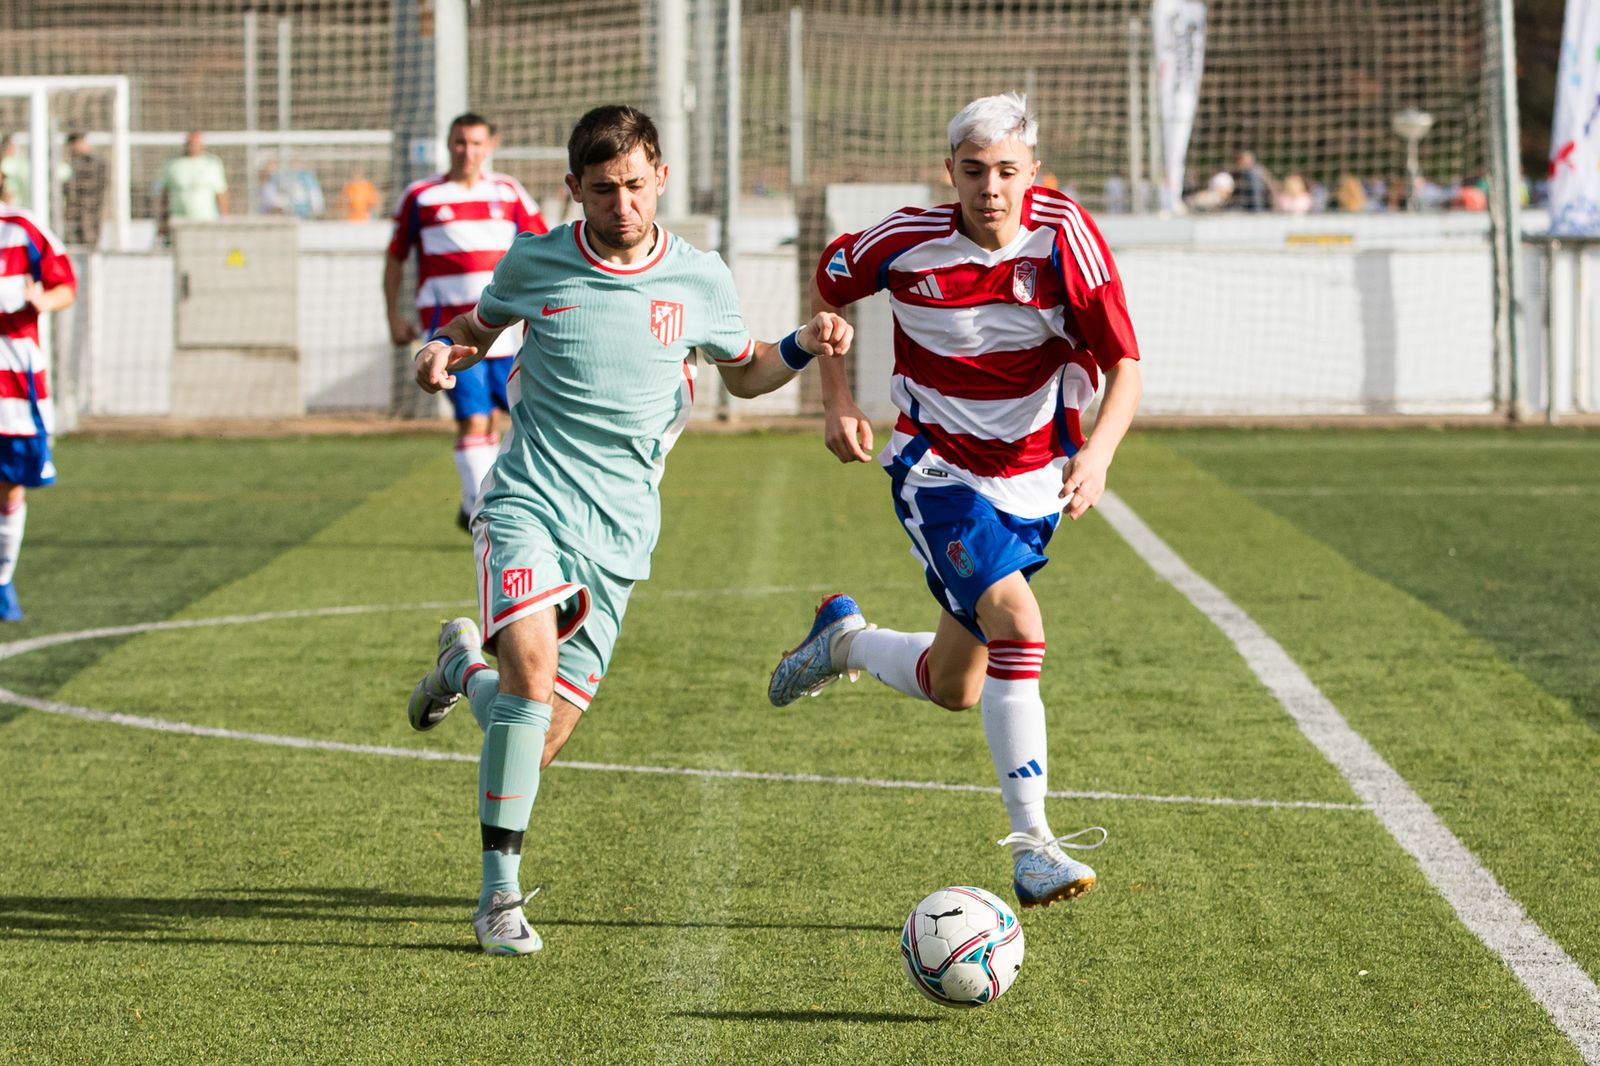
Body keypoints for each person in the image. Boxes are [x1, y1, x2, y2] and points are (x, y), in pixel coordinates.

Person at [403, 104, 853, 956]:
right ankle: (499, 899)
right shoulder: (537, 260)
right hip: (528, 502)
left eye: (636, 186)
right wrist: (441, 348)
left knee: (533, 730)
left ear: (661, 180)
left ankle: (461, 666)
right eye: (603, 190)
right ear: (573, 189)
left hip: (618, 537)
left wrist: (800, 342)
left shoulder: (699, 278)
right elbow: (476, 328)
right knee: (531, 678)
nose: (622, 205)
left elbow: (747, 372)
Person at [768, 92, 1143, 910]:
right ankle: (1034, 846)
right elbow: (831, 287)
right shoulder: (905, 241)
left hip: (1036, 476)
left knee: (955, 685)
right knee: (1018, 622)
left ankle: (845, 643)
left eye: (1008, 171)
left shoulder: (1067, 239)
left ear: (1032, 173)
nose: (992, 188)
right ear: (952, 174)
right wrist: (834, 398)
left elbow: (1126, 367)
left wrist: (1100, 456)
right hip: (933, 468)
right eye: (974, 171)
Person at [384, 112, 549, 531]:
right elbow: (396, 256)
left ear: (490, 146)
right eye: (460, 142)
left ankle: (468, 502)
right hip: (449, 330)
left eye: (476, 143)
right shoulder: (421, 196)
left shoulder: (509, 191)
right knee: (474, 416)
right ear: (448, 144)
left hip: (503, 326)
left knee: (497, 416)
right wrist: (393, 315)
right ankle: (486, 515)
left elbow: (542, 245)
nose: (468, 151)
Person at [0, 173, 78, 622]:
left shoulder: (23, 229)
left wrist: (42, 301)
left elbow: (66, 286)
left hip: (12, 387)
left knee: (8, 487)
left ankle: (3, 580)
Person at [157, 130, 229, 241]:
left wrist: (225, 219)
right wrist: (162, 220)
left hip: (206, 221)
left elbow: (221, 193)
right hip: (180, 222)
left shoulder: (212, 164)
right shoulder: (173, 164)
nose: (193, 147)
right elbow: (164, 194)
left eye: (196, 144)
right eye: (191, 143)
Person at [62, 132, 107, 247]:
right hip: (74, 212)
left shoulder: (95, 162)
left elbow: (97, 186)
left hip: (90, 211)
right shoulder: (73, 161)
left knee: (89, 244)